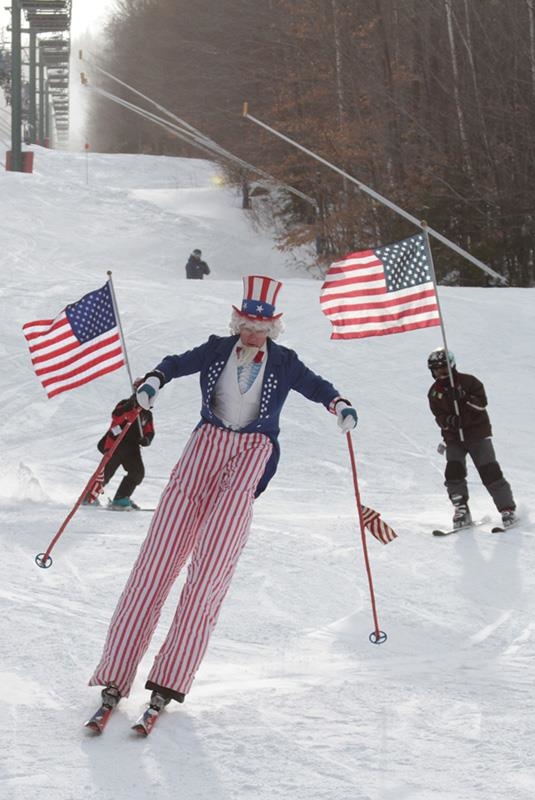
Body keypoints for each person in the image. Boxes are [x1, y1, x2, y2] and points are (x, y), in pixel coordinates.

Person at [87, 275, 358, 723]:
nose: (252, 334)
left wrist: (340, 405)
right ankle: (116, 673)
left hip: (252, 451)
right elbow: (177, 362)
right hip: (205, 445)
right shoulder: (217, 348)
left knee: (211, 567)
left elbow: (317, 386)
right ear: (237, 322)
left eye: (261, 328)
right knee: (157, 559)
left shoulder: (285, 362)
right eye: (247, 325)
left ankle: (169, 681)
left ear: (273, 329)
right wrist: (154, 380)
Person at [426, 348, 517, 529]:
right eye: (436, 371)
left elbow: (481, 404)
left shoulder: (469, 382)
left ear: (452, 367)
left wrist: (463, 398)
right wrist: (450, 421)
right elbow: (439, 416)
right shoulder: (434, 393)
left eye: (443, 370)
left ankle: (507, 509)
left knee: (489, 471)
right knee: (454, 472)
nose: (440, 374)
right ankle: (461, 509)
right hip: (454, 439)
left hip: (477, 436)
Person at [84, 381, 156, 510]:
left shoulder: (147, 414)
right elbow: (116, 416)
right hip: (116, 445)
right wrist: (130, 406)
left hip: (132, 448)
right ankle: (89, 496)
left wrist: (146, 440)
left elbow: (150, 431)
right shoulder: (125, 404)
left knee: (137, 473)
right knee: (106, 472)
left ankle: (121, 498)